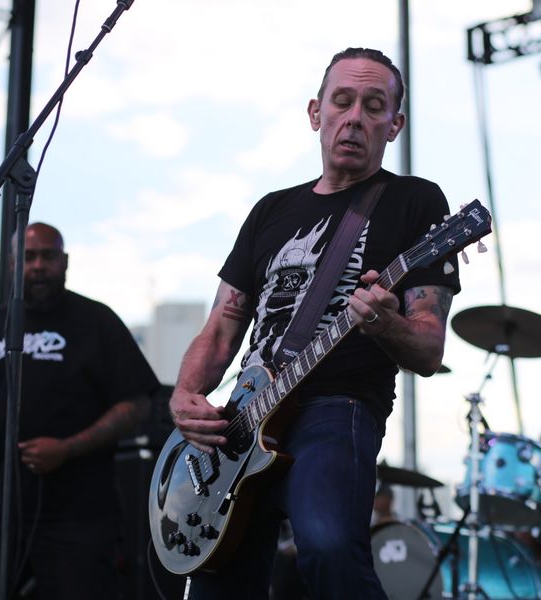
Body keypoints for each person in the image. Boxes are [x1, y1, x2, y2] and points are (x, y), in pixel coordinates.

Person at [168, 47, 461, 599]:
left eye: (374, 106)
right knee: (215, 581)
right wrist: (186, 393)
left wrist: (386, 324)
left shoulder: (415, 202)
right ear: (315, 113)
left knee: (328, 546)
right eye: (342, 101)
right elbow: (222, 327)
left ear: (394, 125)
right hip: (243, 419)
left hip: (336, 405)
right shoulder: (271, 210)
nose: (355, 118)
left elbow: (427, 349)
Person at [0, 223, 160, 600]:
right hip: (0, 503)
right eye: (28, 257)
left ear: (65, 262)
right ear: (12, 264)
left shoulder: (96, 320)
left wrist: (68, 448)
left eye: (48, 256)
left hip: (77, 511)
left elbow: (137, 403)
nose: (37, 266)